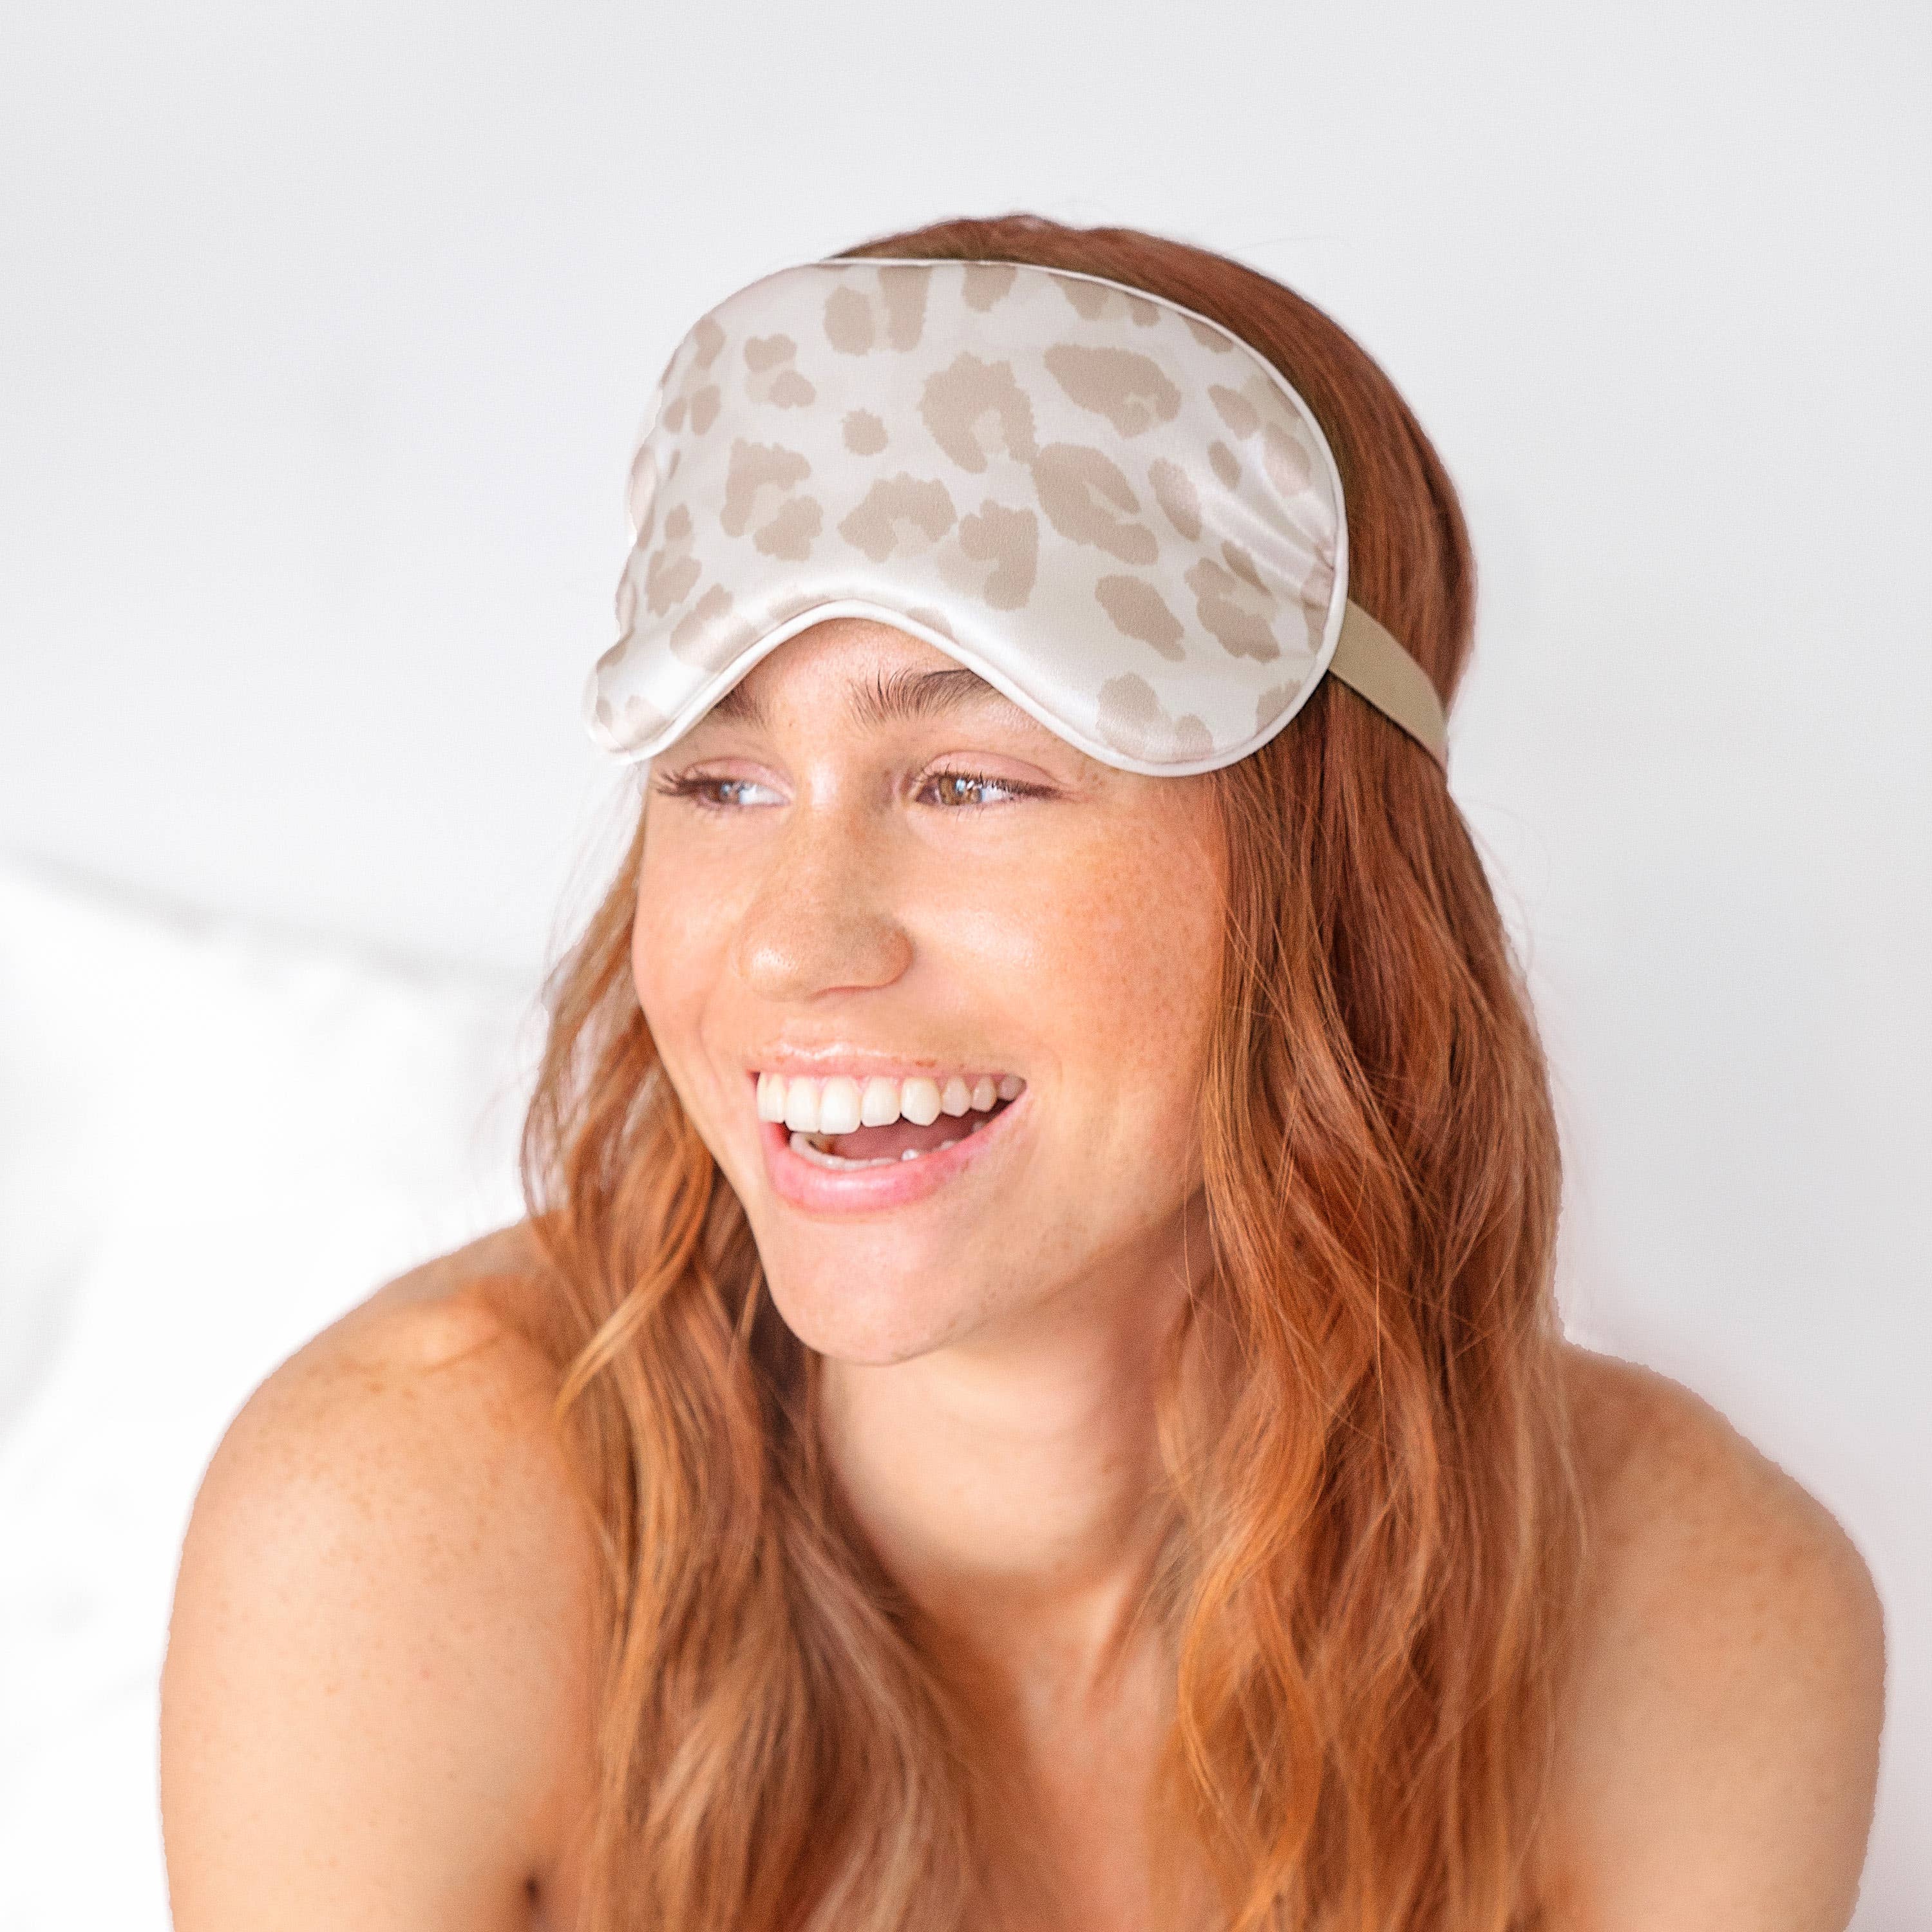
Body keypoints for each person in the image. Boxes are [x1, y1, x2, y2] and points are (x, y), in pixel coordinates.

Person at [158, 214, 1885, 1932]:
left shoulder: (1695, 1624)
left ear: (1334, 885)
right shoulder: (396, 1537)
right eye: (720, 783)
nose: (794, 947)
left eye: (972, 782)